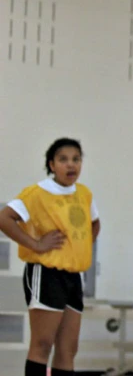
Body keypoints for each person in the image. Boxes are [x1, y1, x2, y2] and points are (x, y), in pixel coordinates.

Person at [0, 138, 101, 376]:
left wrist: (79, 246)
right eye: (63, 159)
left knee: (68, 349)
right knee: (43, 344)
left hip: (73, 276)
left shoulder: (84, 194)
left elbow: (94, 224)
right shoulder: (37, 193)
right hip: (46, 273)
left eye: (76, 159)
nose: (71, 164)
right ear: (52, 164)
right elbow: (4, 218)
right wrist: (36, 244)